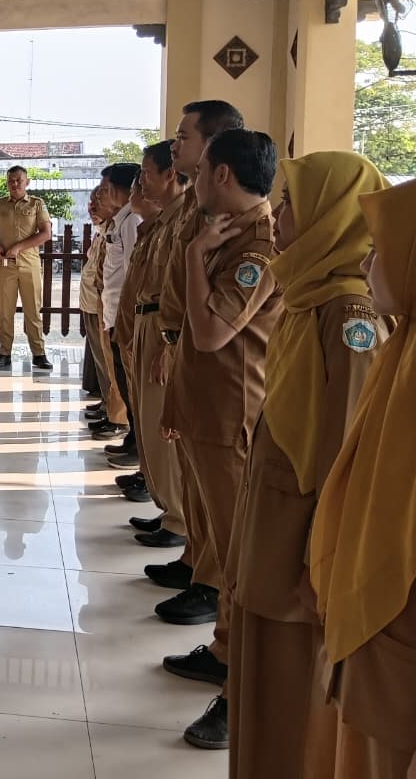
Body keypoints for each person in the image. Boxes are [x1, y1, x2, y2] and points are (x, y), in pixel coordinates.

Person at [226, 152, 388, 779]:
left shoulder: (347, 313)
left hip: (300, 549)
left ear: (329, 215)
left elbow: (344, 451)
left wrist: (318, 562)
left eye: (291, 203)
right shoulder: (305, 296)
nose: (278, 216)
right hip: (268, 525)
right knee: (261, 687)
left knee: (292, 699)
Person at [162, 128, 284, 750]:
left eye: (202, 164)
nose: (196, 175)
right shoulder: (226, 229)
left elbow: (210, 334)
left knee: (240, 556)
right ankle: (226, 650)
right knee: (222, 541)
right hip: (206, 409)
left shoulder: (258, 244)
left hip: (231, 417)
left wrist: (190, 258)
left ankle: (243, 681)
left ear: (225, 175)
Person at [310, 175, 416, 779]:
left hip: (405, 646)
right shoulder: (406, 349)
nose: (368, 261)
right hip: (378, 635)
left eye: (382, 246)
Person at [146, 101, 244, 621]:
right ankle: (196, 562)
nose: (174, 143)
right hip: (184, 346)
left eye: (183, 135)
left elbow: (207, 306)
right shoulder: (193, 208)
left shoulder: (222, 216)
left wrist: (170, 341)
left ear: (213, 147)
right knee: (195, 475)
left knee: (217, 491)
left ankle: (211, 585)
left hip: (214, 366)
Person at [127, 139, 189, 543]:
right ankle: (168, 509)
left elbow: (180, 292)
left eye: (147, 172)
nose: (142, 180)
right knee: (148, 425)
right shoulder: (166, 221)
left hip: (165, 332)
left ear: (170, 174)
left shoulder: (187, 220)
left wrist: (169, 345)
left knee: (163, 432)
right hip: (147, 323)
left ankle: (180, 520)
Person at [112, 172, 162, 477]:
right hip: (132, 319)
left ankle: (153, 480)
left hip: (156, 329)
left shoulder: (139, 224)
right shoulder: (146, 227)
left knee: (151, 408)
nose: (137, 191)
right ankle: (149, 475)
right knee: (140, 402)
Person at [0, 165, 53, 370]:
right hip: (5, 266)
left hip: (30, 264)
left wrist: (19, 247)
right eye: (11, 180)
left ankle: (39, 354)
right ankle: (4, 353)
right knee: (5, 311)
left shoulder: (37, 204)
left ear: (27, 182)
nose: (14, 184)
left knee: (33, 311)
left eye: (18, 180)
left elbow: (46, 233)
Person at [96, 163, 143, 460]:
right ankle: (132, 439)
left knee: (132, 386)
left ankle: (139, 447)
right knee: (124, 383)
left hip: (124, 316)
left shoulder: (131, 221)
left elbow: (132, 274)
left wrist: (125, 319)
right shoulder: (120, 220)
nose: (102, 192)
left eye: (106, 187)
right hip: (114, 313)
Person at [81, 188, 130, 447]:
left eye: (100, 198)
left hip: (116, 307)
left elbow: (130, 270)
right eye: (92, 201)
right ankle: (111, 408)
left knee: (117, 367)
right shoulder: (108, 228)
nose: (94, 205)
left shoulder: (130, 222)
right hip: (101, 303)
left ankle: (120, 420)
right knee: (107, 364)